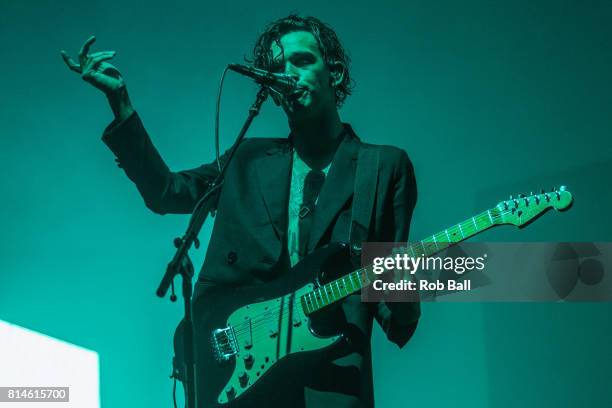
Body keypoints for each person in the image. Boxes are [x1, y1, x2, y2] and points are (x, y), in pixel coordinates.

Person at [62, 14, 420, 407]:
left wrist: (410, 287)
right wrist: (121, 103)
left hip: (331, 377)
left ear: (333, 73)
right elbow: (167, 192)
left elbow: (396, 313)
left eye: (301, 61)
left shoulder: (383, 167)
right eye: (276, 68)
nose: (287, 74)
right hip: (243, 373)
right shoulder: (246, 160)